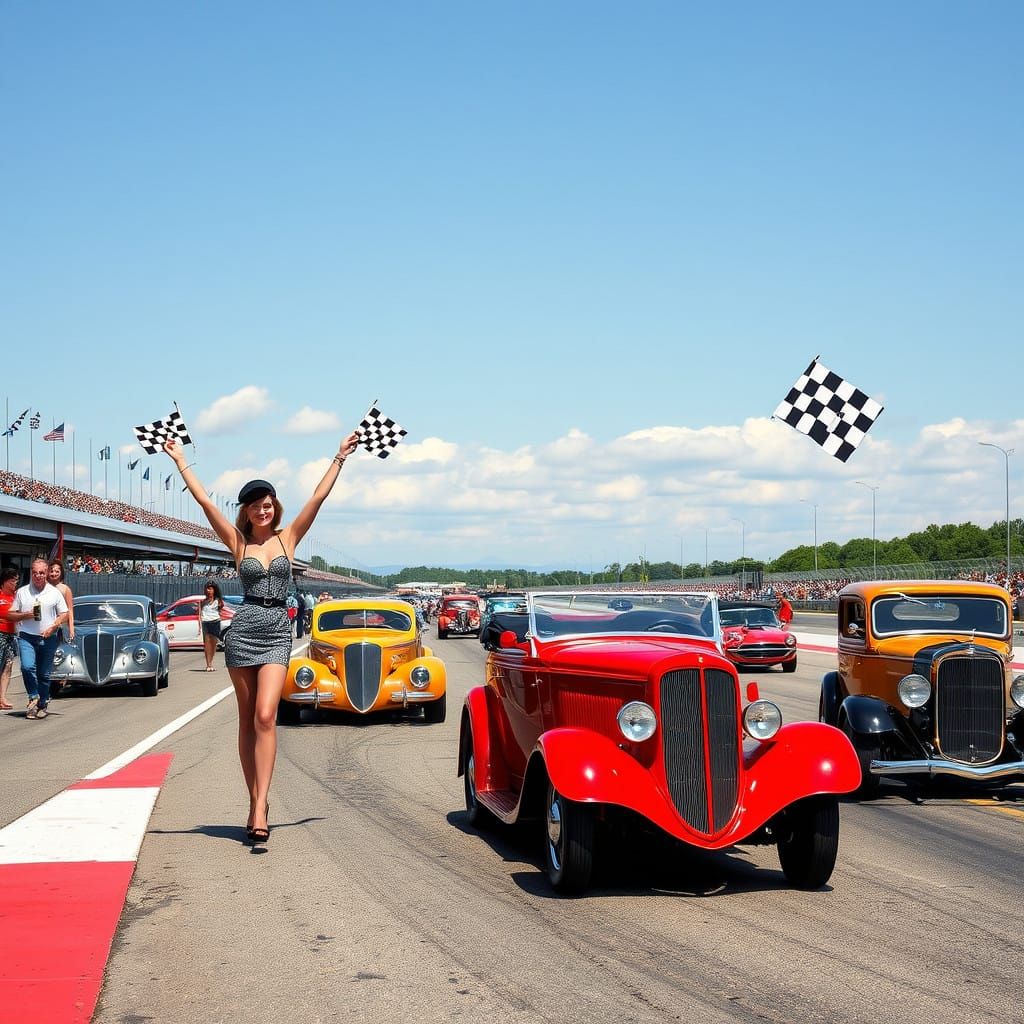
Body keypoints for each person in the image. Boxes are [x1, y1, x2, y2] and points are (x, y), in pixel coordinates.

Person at [165, 429, 359, 846]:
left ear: (275, 507)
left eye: (267, 504)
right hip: (243, 632)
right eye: (255, 506)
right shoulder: (237, 542)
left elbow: (317, 498)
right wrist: (180, 461)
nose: (262, 510)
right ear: (247, 512)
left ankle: (260, 805)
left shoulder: (288, 538)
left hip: (276, 632)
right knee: (246, 720)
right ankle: (256, 802)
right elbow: (205, 503)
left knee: (266, 716)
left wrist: (339, 457)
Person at [8, 557, 69, 720]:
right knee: (27, 667)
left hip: (48, 637)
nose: (38, 576)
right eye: (35, 573)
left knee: (44, 674)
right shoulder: (22, 592)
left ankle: (42, 704)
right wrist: (25, 615)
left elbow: (64, 614)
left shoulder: (54, 593)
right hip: (26, 636)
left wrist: (53, 627)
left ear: (46, 573)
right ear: (31, 573)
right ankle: (33, 697)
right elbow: (11, 614)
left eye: (41, 573)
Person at [47, 559, 75, 697]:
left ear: (61, 573)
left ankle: (58, 679)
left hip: (60, 627)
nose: (54, 573)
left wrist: (71, 628)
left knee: (58, 653)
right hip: (46, 625)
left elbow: (70, 610)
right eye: (51, 571)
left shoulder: (65, 589)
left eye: (57, 571)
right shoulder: (43, 587)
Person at [0, 567, 20, 710]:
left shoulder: (17, 596)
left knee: (8, 666)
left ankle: (2, 698)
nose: (15, 583)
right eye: (12, 580)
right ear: (5, 581)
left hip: (11, 635)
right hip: (0, 633)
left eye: (16, 580)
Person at [200, 579, 225, 672]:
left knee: (213, 644)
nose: (208, 591)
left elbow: (221, 610)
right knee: (207, 644)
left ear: (214, 590)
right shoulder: (203, 602)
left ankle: (211, 662)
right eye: (207, 589)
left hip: (215, 622)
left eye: (210, 589)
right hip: (206, 622)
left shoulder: (219, 601)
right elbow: (199, 612)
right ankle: (208, 664)